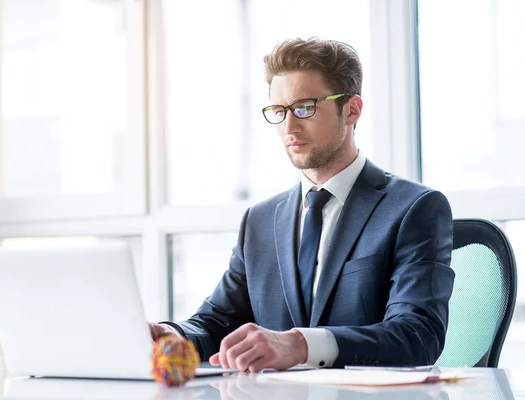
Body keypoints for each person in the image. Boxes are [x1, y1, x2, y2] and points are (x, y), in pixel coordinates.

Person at [150, 38, 455, 372]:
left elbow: (417, 336)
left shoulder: (414, 208)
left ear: (351, 110)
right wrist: (170, 334)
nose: (289, 128)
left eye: (304, 108)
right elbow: (215, 324)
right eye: (279, 111)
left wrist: (301, 345)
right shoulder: (260, 221)